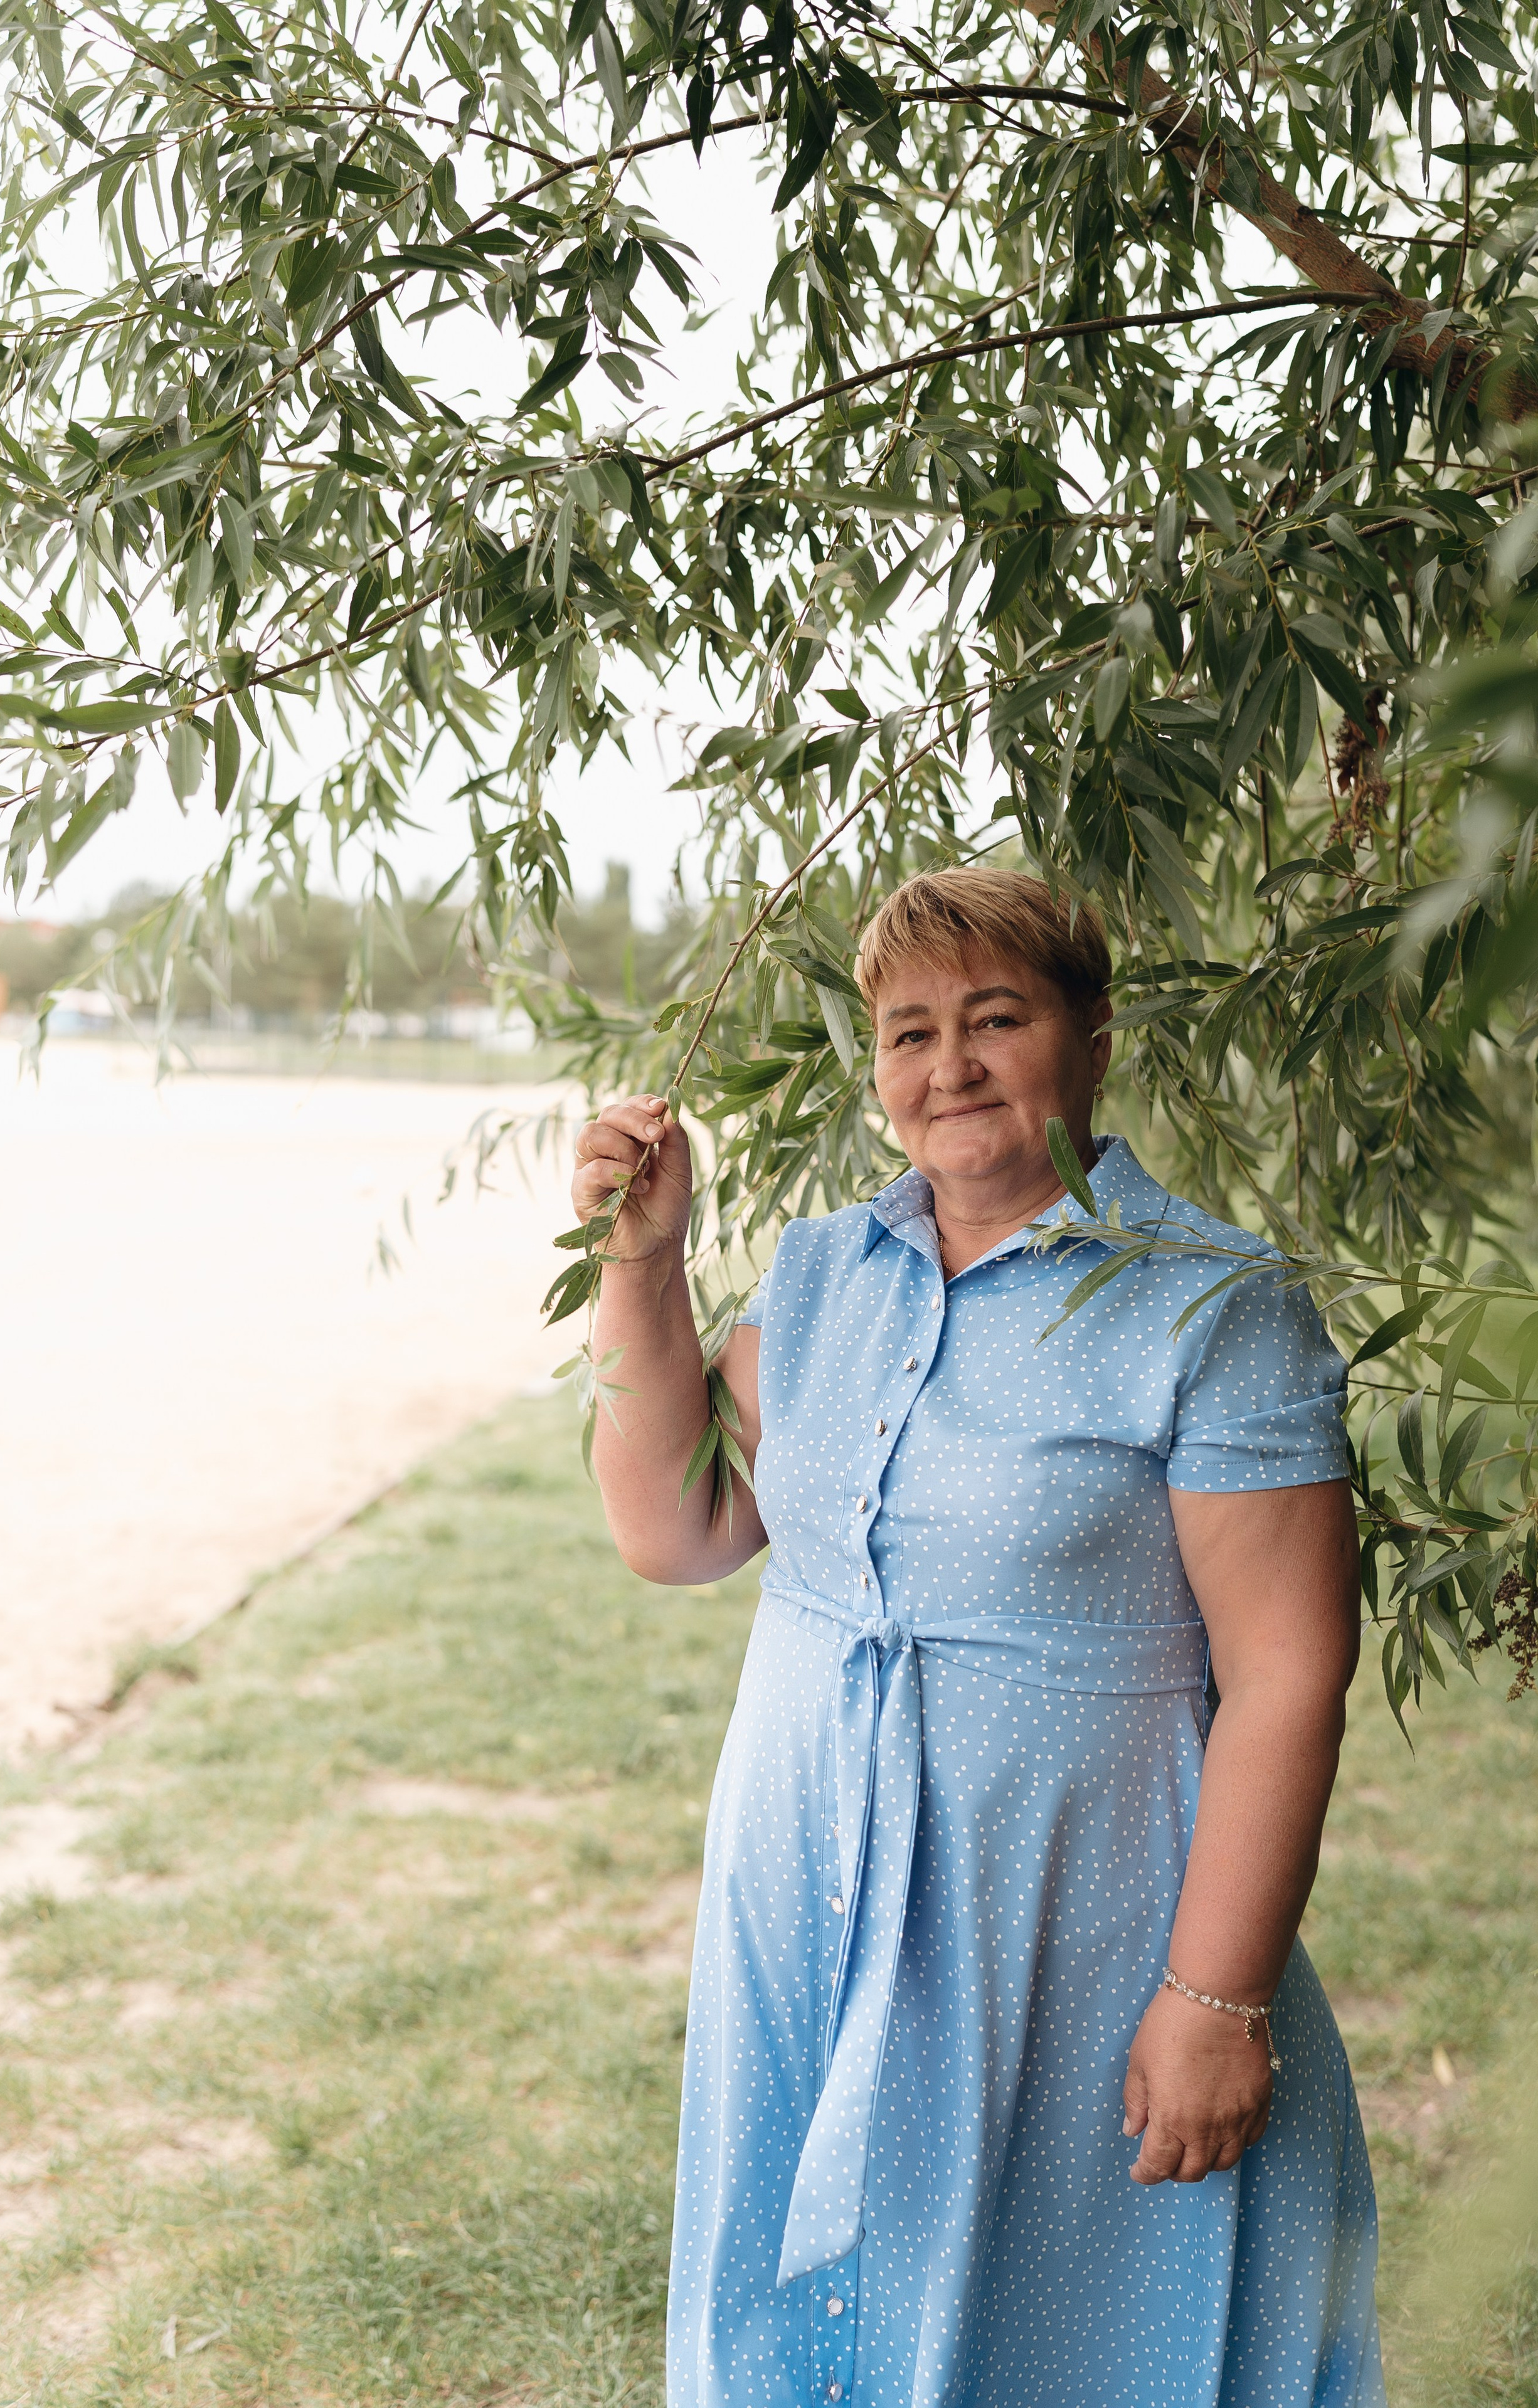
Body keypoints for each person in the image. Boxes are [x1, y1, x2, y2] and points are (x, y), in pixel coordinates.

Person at [570, 863, 1384, 2408]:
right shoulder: (816, 1278)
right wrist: (641, 1258)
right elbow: (676, 1532)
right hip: (804, 1890)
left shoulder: (1209, 1307)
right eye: (906, 1031)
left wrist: (1214, 2000)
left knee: (1072, 2329)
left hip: (1073, 1918)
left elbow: (1289, 1675)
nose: (947, 1065)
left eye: (995, 1017)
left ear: (1089, 1037)